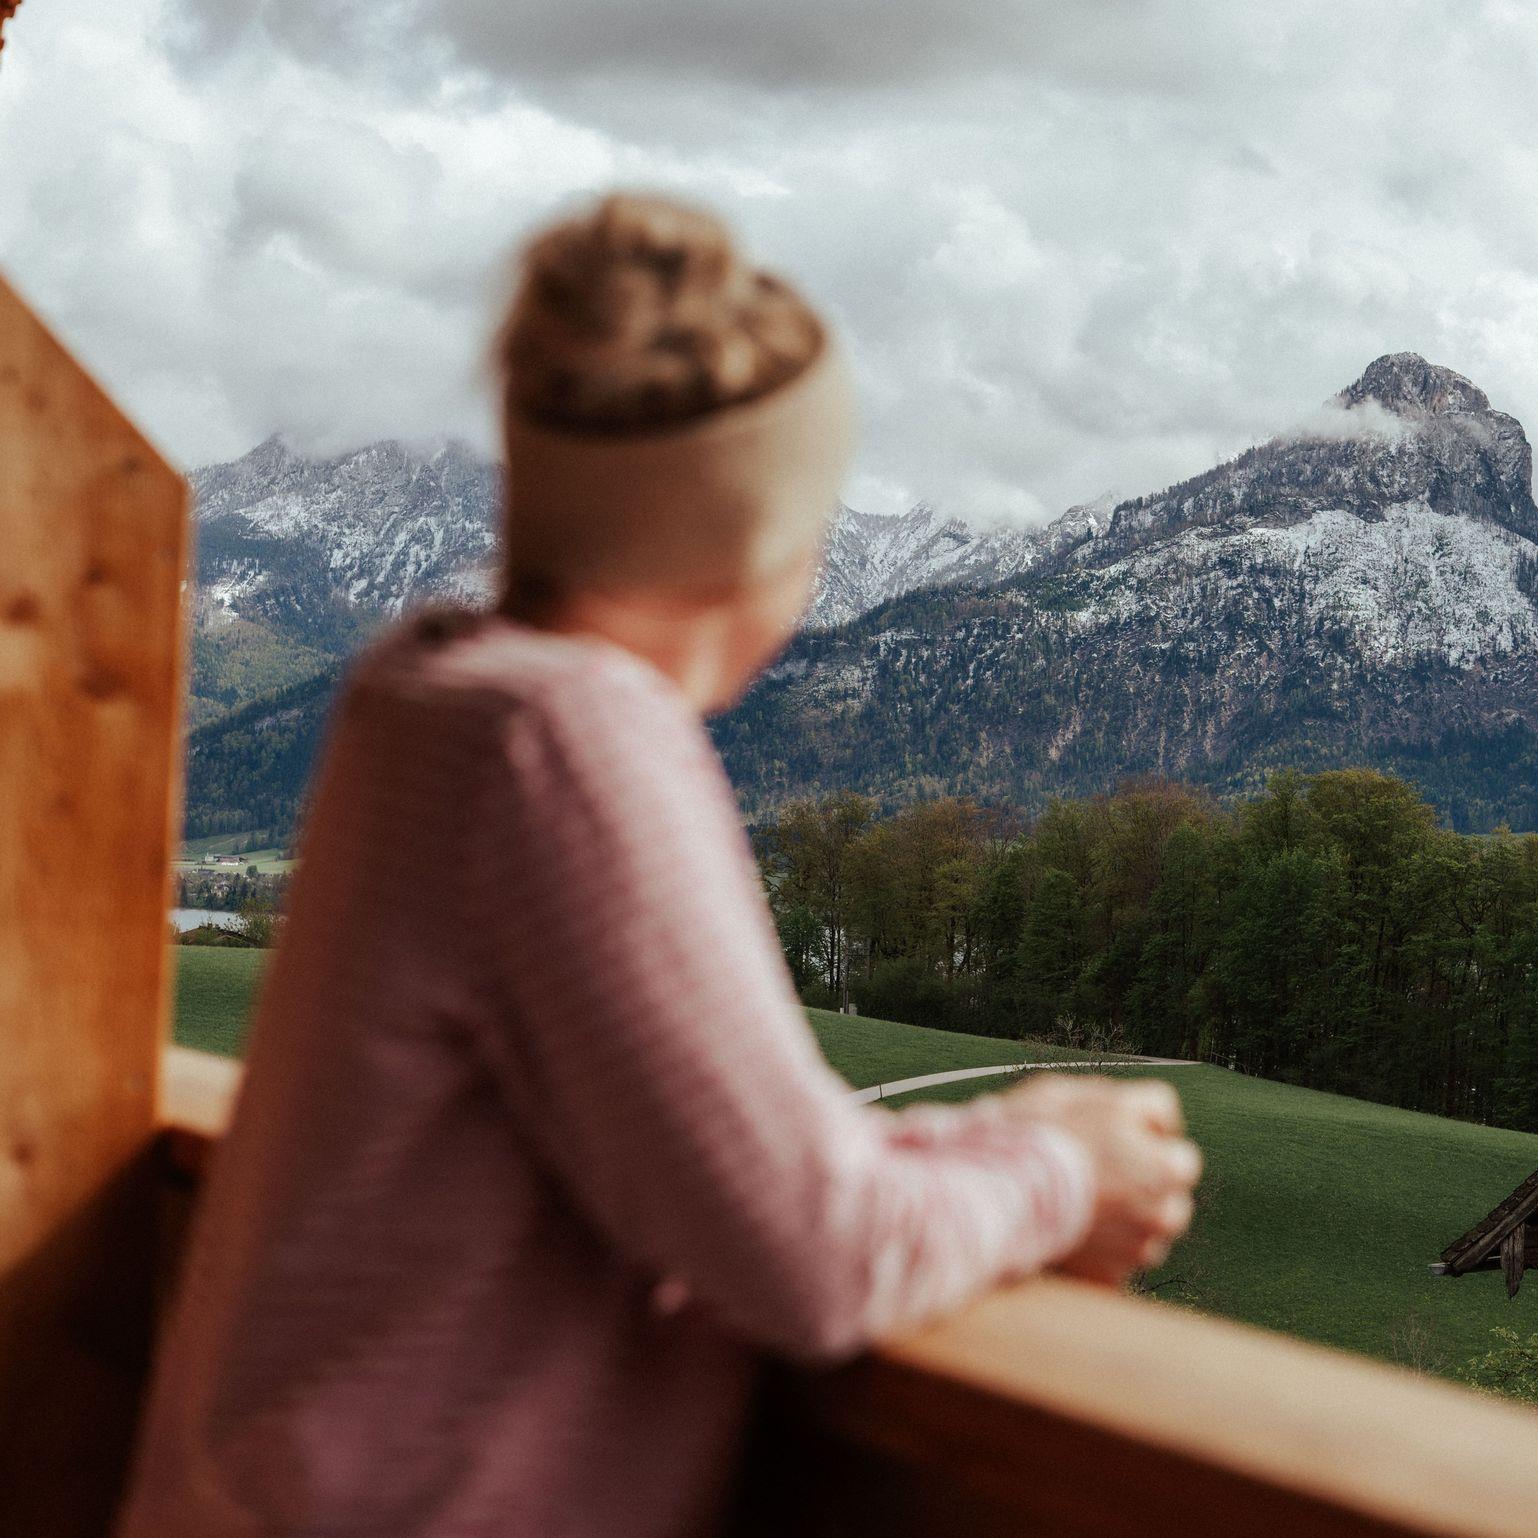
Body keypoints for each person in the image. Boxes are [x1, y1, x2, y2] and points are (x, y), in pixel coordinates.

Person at [119, 194, 1201, 1538]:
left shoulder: (426, 691)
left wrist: (986, 1142)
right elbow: (812, 1252)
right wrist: (1062, 1169)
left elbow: (702, 1150)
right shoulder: (568, 736)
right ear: (765, 541)